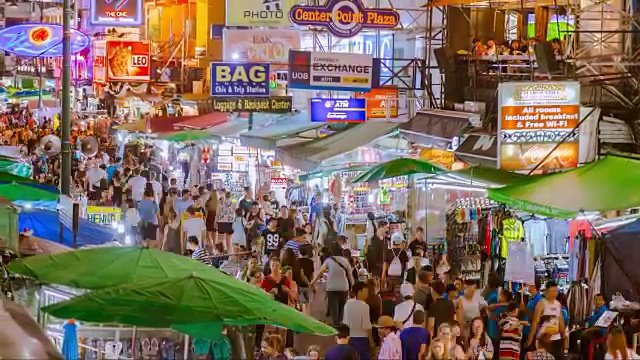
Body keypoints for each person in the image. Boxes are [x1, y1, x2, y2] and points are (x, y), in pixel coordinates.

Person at [311, 243, 353, 325]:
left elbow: (319, 272)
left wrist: (313, 282)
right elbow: (350, 276)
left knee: (334, 310)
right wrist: (353, 287)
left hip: (331, 288)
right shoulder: (345, 261)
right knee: (342, 309)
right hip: (344, 287)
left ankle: (336, 326)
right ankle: (341, 325)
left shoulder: (329, 260)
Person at [569, 293, 609, 358]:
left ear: (603, 301)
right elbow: (590, 320)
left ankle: (586, 357)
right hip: (591, 329)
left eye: (600, 300)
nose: (597, 301)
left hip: (599, 332)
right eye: (596, 300)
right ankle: (576, 355)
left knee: (584, 335)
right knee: (573, 334)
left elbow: (600, 326)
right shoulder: (595, 310)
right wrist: (582, 323)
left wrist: (587, 329)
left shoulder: (605, 311)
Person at [343, 281, 372, 360]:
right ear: (359, 292)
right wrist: (372, 341)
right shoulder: (364, 306)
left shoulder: (347, 303)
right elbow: (366, 326)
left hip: (349, 338)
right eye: (365, 291)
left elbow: (344, 322)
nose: (367, 294)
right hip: (362, 339)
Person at [297, 244, 315, 315]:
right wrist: (313, 286)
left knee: (302, 303)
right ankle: (307, 318)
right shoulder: (310, 262)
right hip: (307, 285)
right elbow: (312, 276)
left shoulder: (297, 261)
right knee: (307, 304)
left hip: (298, 284)